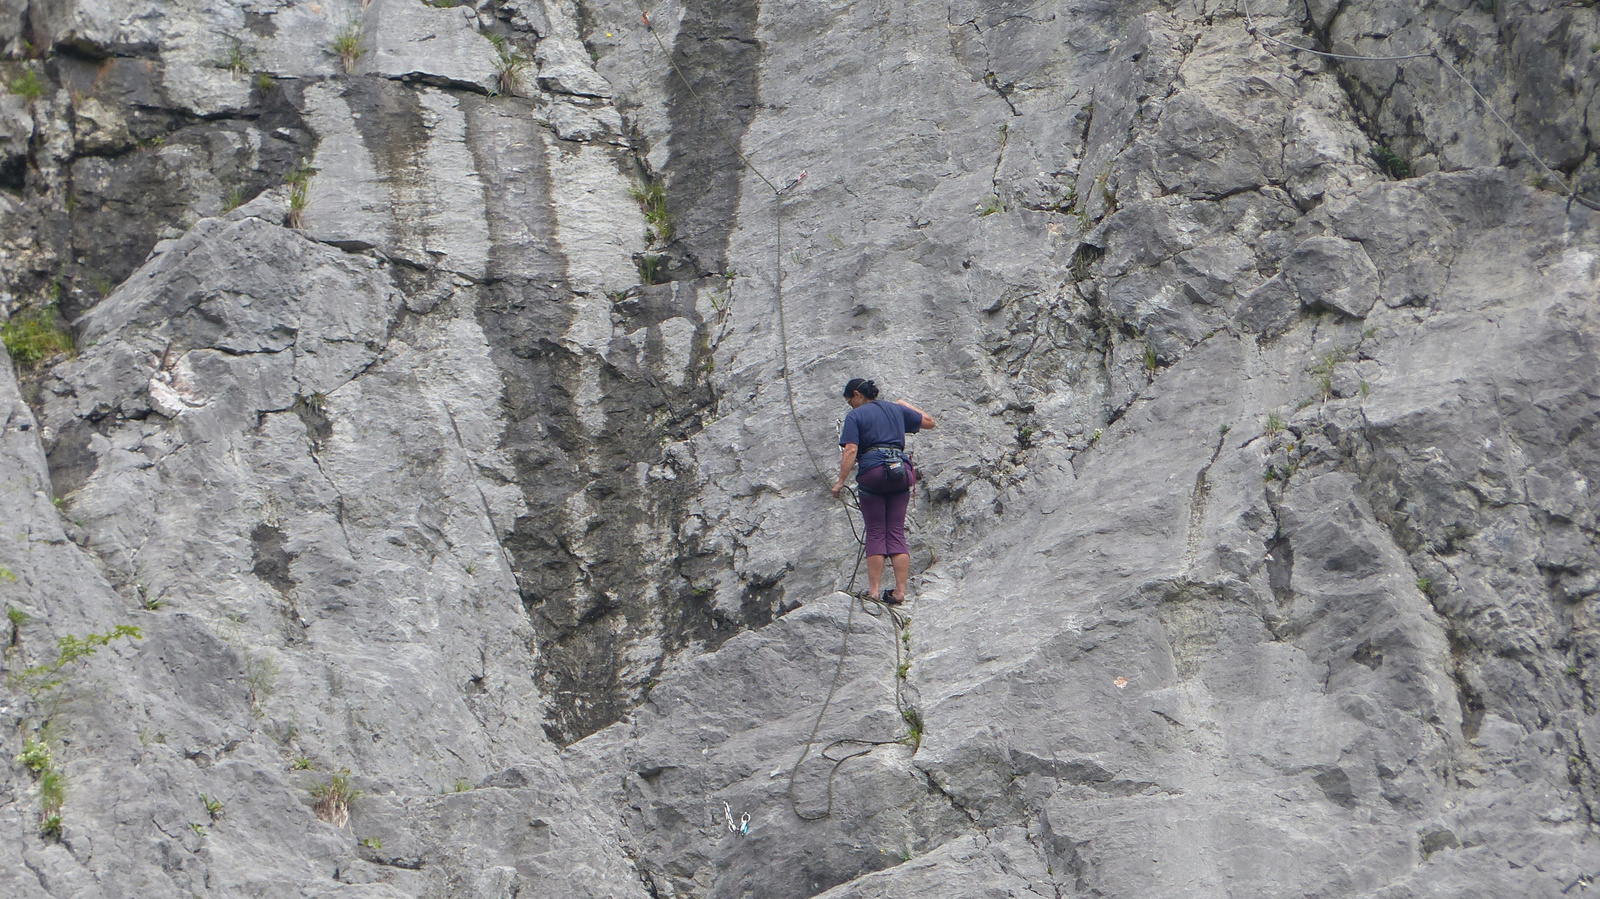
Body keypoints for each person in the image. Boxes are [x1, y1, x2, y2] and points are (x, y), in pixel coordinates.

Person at [830, 378, 936, 605]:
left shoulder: (855, 416)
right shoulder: (895, 409)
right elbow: (929, 422)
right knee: (896, 531)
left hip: (873, 473)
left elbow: (851, 450)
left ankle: (874, 592)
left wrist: (840, 482)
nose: (851, 405)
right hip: (900, 473)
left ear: (857, 395)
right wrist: (905, 404)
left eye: (850, 401)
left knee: (877, 531)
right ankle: (899, 592)